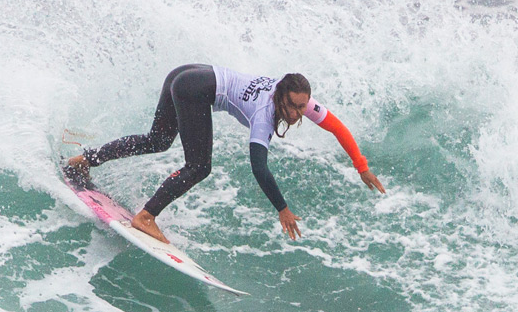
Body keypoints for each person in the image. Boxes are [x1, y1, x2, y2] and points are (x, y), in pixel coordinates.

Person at [65, 64, 385, 244]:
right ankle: (146, 217)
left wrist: (362, 167)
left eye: (304, 106)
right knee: (199, 166)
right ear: (281, 97)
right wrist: (282, 209)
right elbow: (259, 167)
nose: (300, 113)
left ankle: (83, 161)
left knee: (158, 140)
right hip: (194, 89)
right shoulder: (265, 114)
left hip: (185, 74)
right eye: (294, 107)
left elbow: (337, 127)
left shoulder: (295, 98)